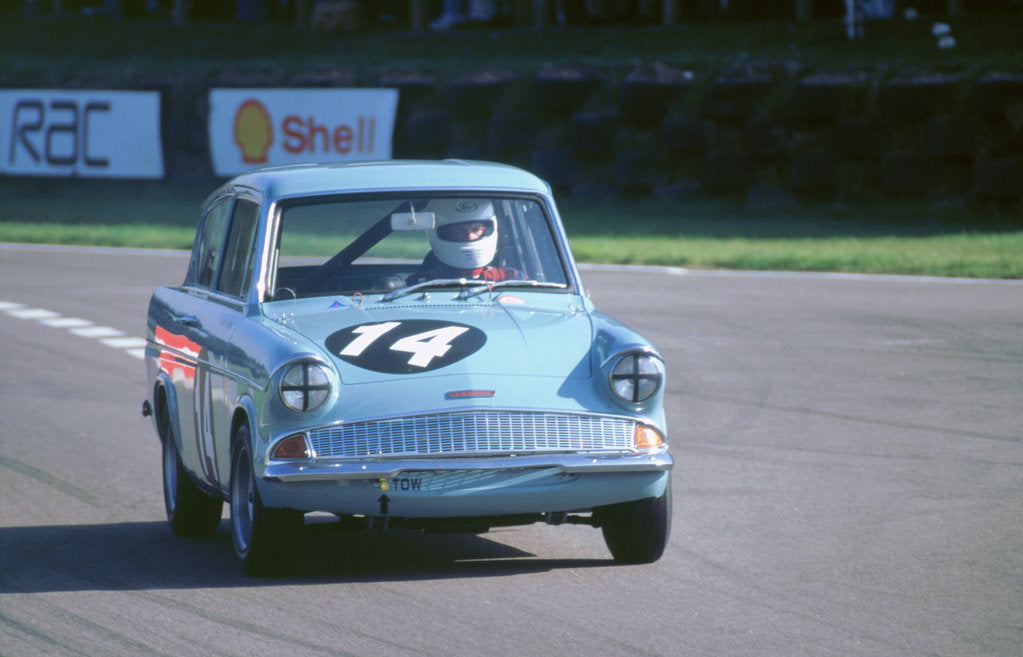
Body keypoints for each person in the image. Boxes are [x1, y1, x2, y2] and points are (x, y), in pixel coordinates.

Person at [413, 199, 524, 282]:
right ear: (447, 234)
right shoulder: (429, 273)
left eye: (476, 229)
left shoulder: (510, 276)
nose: (470, 237)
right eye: (459, 231)